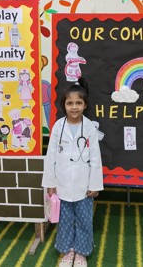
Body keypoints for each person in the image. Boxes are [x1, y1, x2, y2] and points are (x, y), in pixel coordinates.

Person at [42, 78, 103, 267]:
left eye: (78, 103)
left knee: (85, 220)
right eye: (70, 103)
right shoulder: (58, 127)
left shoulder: (90, 128)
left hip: (84, 185)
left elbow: (95, 158)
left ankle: (82, 252)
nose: (74, 107)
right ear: (64, 105)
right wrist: (50, 183)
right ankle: (68, 251)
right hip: (63, 184)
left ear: (85, 105)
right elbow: (50, 156)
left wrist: (94, 185)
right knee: (65, 219)